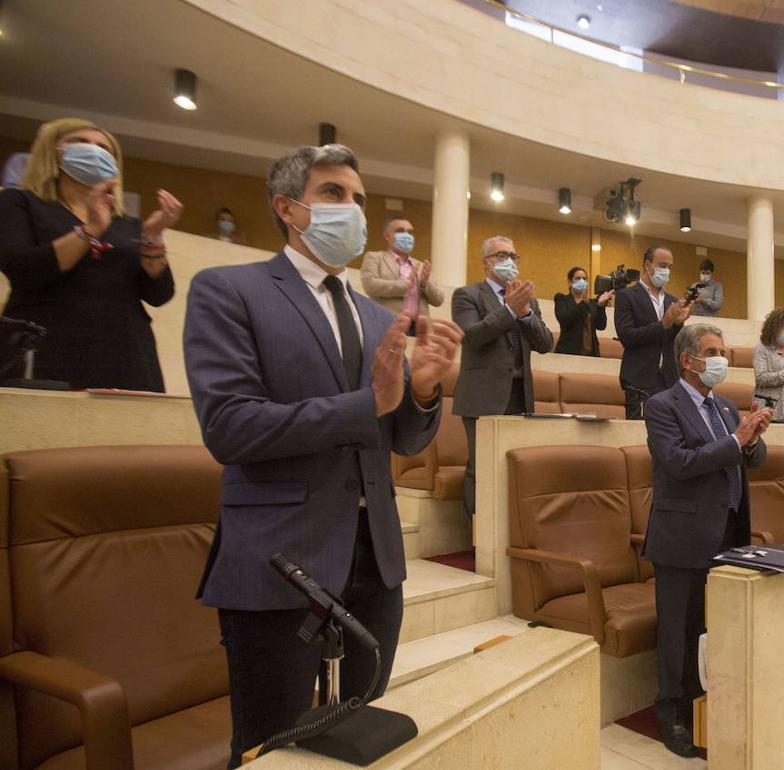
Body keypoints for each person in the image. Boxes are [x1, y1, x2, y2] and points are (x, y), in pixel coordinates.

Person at [183, 143, 463, 768]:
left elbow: (405, 442)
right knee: (269, 746)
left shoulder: (370, 313)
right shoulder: (231, 290)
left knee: (354, 739)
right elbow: (229, 428)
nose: (354, 211)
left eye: (359, 199)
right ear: (289, 208)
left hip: (374, 560)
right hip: (281, 559)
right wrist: (371, 401)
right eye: (335, 194)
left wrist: (420, 394)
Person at [643, 322, 770, 758]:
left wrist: (751, 439)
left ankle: (703, 703)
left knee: (711, 627)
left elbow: (750, 457)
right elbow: (678, 462)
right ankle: (671, 714)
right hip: (681, 536)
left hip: (729, 531)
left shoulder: (728, 408)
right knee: (678, 631)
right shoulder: (661, 406)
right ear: (688, 360)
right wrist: (737, 441)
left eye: (723, 351)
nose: (722, 359)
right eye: (713, 351)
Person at [0, 118, 181, 391]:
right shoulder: (20, 203)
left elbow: (159, 294)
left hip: (126, 356)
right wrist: (91, 230)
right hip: (46, 350)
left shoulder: (128, 224)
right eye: (81, 143)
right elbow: (24, 270)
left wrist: (152, 238)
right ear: (54, 152)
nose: (94, 151)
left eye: (104, 148)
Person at [452, 235, 554, 521]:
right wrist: (509, 310)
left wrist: (525, 313)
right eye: (500, 255)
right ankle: (475, 534)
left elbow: (546, 343)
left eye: (513, 255)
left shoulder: (527, 299)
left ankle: (504, 530)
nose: (508, 261)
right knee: (481, 466)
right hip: (482, 395)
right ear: (485, 263)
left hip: (520, 393)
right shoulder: (467, 295)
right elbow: (473, 336)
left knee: (513, 468)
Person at [615, 245, 692, 419]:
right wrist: (663, 324)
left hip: (669, 381)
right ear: (648, 265)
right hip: (639, 382)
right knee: (639, 438)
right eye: (662, 266)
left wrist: (678, 324)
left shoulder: (672, 300)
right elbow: (627, 337)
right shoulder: (627, 296)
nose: (667, 271)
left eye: (669, 267)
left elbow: (677, 344)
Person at [360, 214, 446, 315]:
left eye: (410, 232)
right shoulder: (375, 257)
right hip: (387, 324)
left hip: (418, 327)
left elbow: (438, 299)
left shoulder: (420, 266)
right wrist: (406, 285)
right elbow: (369, 285)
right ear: (387, 236)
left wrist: (424, 284)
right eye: (400, 231)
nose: (407, 236)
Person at [553, 266, 613, 356]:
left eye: (584, 279)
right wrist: (583, 303)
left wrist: (601, 306)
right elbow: (564, 320)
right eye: (578, 278)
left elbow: (601, 326)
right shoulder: (562, 299)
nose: (582, 281)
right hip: (568, 352)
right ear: (570, 282)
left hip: (592, 354)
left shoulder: (593, 303)